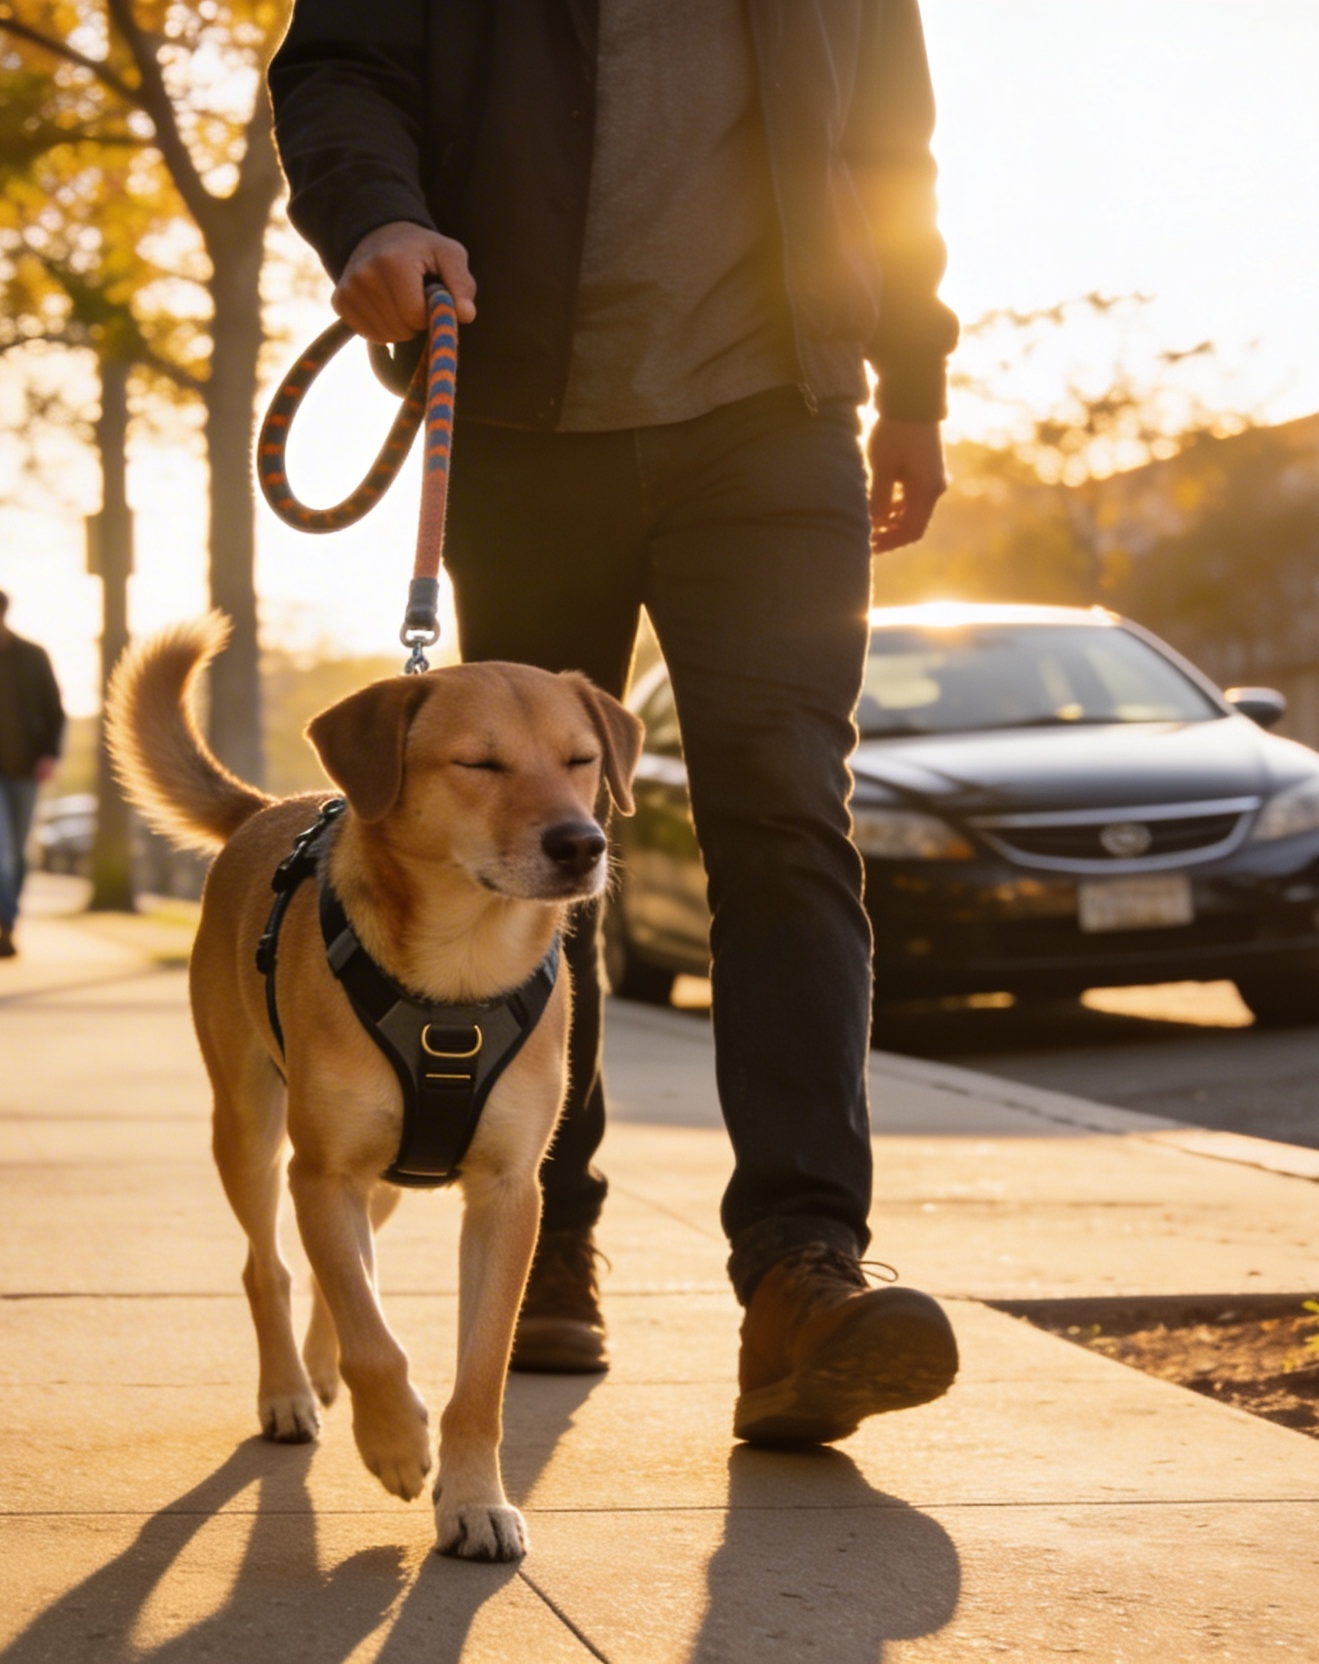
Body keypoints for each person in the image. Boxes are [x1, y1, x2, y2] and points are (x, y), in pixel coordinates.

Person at [271, 0, 965, 1443]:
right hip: (524, 414)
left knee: (783, 815)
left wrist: (915, 381)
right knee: (536, 838)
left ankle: (801, 1275)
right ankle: (549, 1226)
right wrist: (377, 221)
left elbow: (895, 144)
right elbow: (341, 62)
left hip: (776, 417)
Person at [0, 588, 67, 960]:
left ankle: (8, 919)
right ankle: (5, 922)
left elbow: (55, 708)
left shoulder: (33, 656)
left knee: (21, 853)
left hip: (27, 769)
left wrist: (50, 754)